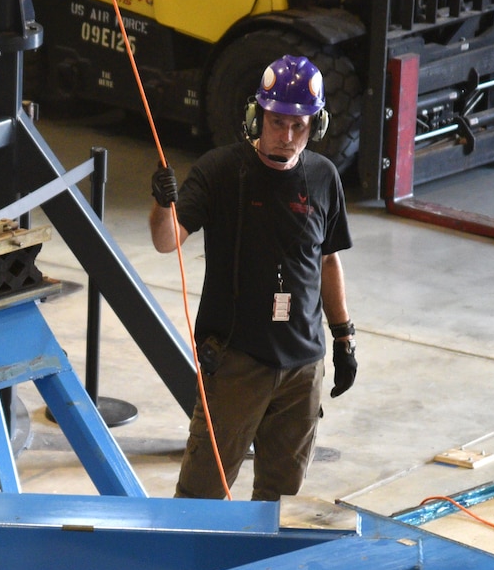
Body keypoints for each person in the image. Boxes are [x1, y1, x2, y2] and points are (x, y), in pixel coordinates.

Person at [149, 53, 357, 500]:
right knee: (201, 498)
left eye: (299, 125)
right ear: (255, 116)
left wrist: (343, 339)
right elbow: (167, 241)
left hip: (303, 368)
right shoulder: (220, 171)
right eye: (277, 121)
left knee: (281, 503)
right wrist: (161, 203)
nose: (286, 136)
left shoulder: (323, 177)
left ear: (316, 125)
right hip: (236, 366)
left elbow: (327, 262)